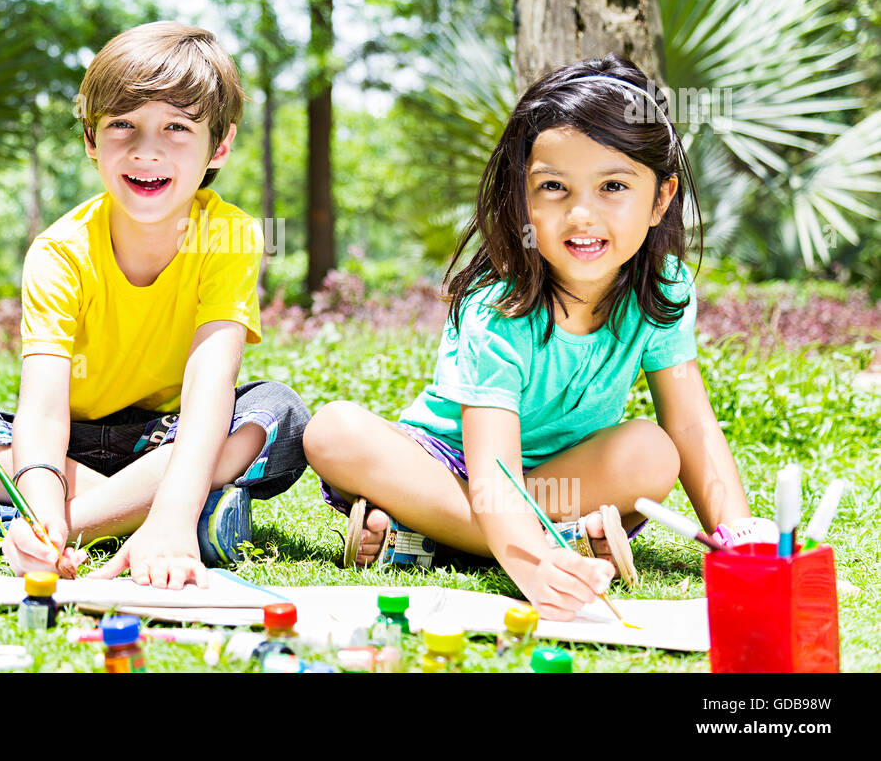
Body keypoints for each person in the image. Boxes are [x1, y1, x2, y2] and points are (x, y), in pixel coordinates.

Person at [303, 54, 774, 620]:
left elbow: (692, 424)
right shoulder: (498, 308)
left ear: (661, 199)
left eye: (612, 186)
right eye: (553, 186)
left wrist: (740, 536)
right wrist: (535, 565)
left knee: (652, 452)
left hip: (565, 477)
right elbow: (493, 471)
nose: (581, 213)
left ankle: (426, 536)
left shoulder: (663, 289)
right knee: (332, 431)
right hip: (454, 466)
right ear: (521, 197)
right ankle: (554, 543)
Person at [0, 21, 309, 589]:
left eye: (177, 127)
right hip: (70, 447)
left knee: (277, 412)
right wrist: (42, 506)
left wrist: (156, 518)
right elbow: (44, 410)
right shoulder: (59, 251)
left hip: (167, 442)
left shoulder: (227, 234)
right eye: (122, 125)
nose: (146, 150)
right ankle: (180, 520)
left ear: (218, 145)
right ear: (90, 138)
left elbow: (209, 387)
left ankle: (21, 529)